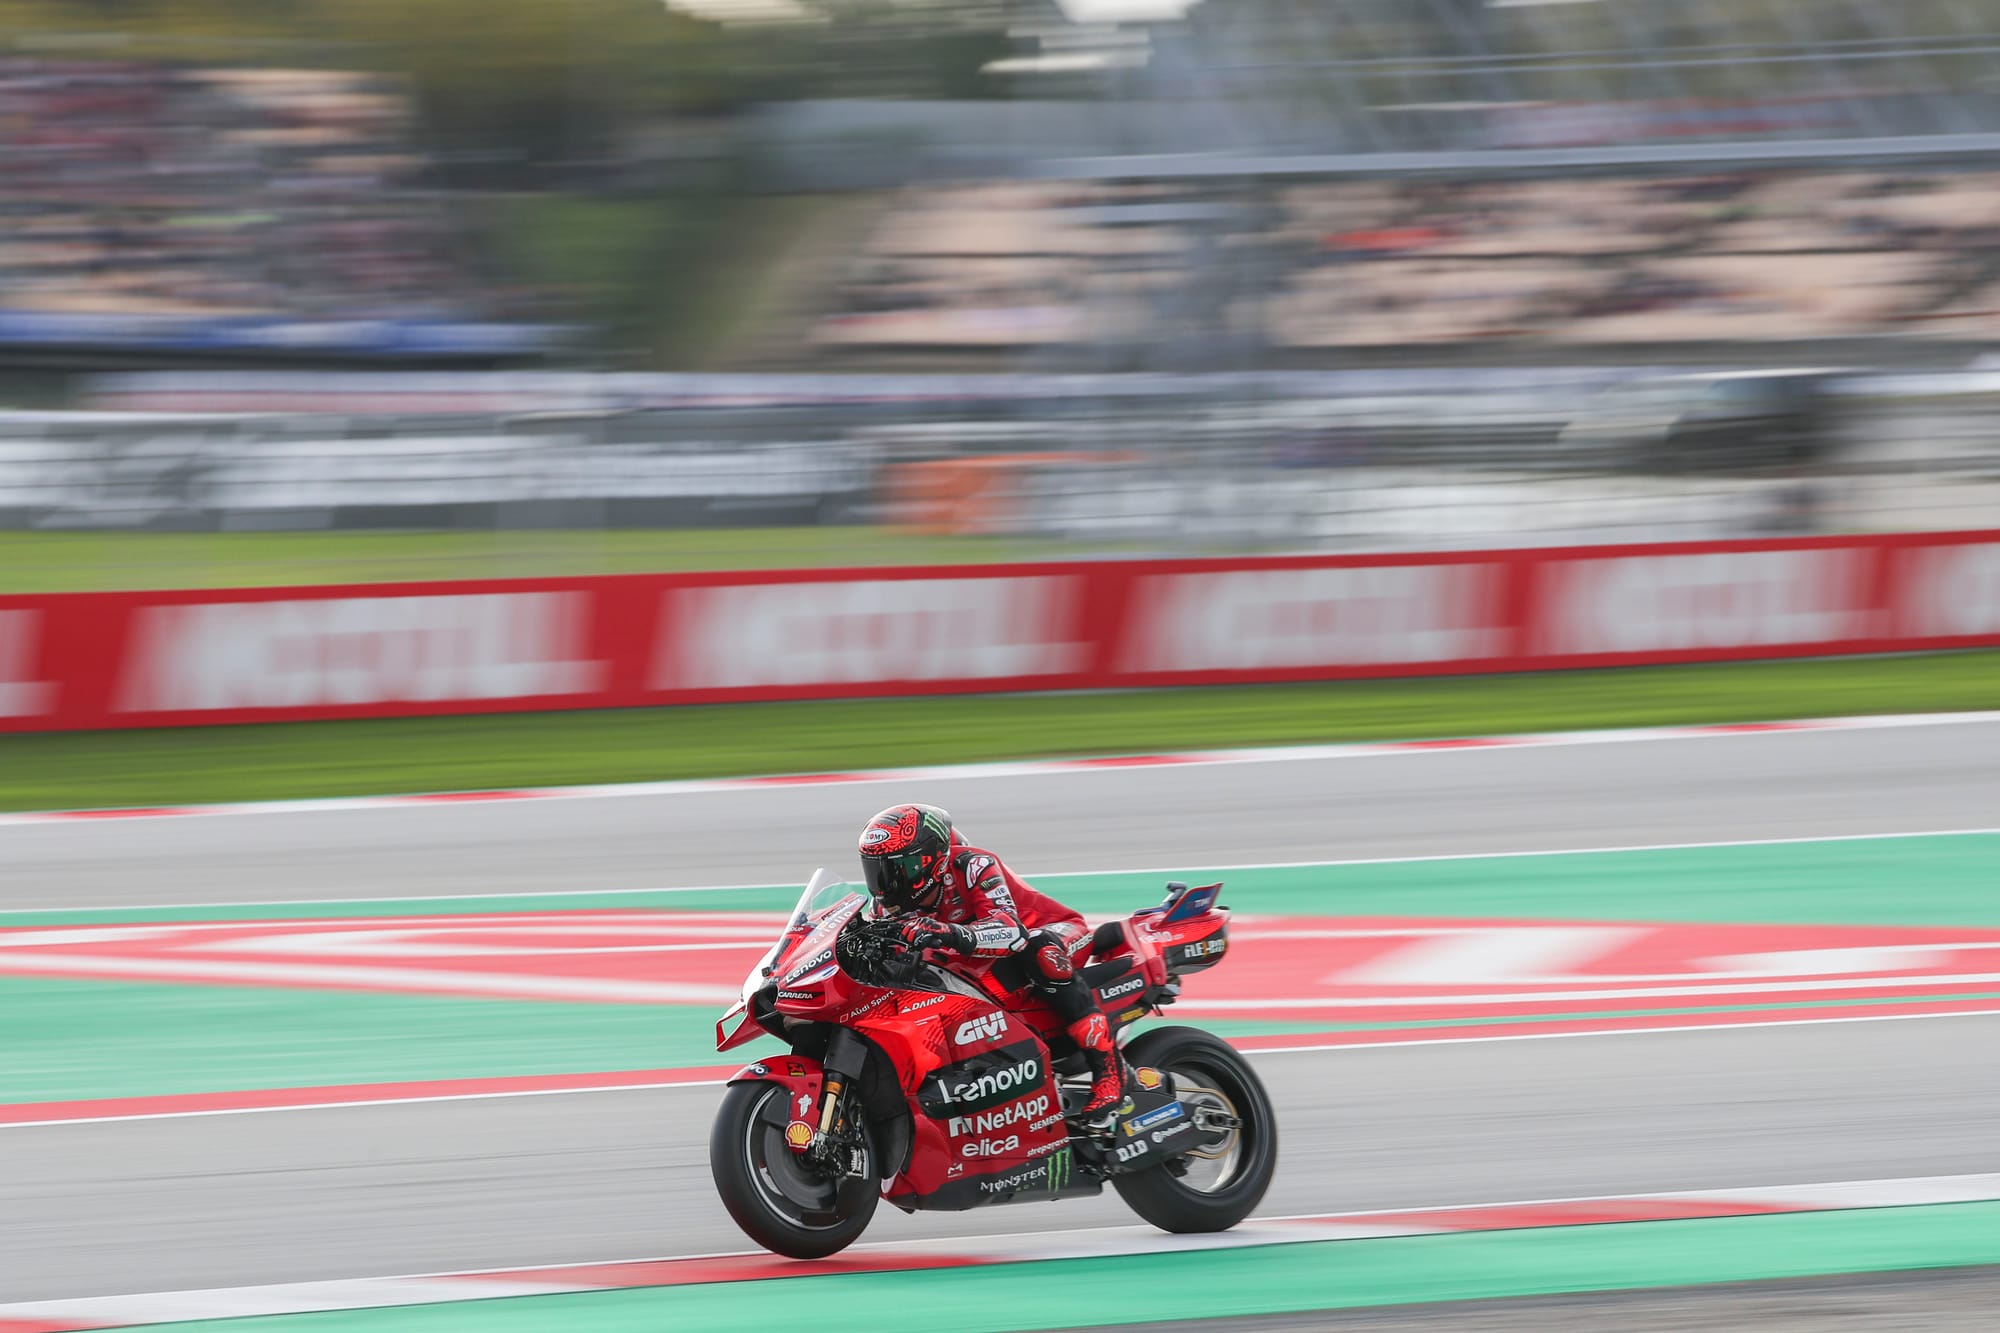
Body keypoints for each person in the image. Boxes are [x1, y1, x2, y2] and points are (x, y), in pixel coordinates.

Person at [856, 802, 1127, 1126]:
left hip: (1053, 931)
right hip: (984, 961)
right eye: (878, 869)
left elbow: (1012, 930)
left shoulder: (973, 866)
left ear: (931, 860)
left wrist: (948, 932)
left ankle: (1109, 1070)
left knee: (1042, 953)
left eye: (899, 867)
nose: (887, 880)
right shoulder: (886, 903)